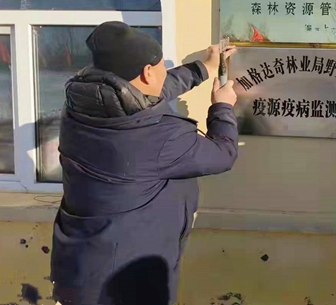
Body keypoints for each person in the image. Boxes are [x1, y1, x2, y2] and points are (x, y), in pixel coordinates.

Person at [50, 21, 239, 305]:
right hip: (125, 284)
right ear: (148, 72)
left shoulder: (79, 109)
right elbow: (223, 154)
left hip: (80, 269)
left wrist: (203, 68)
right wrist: (222, 106)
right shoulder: (160, 137)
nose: (164, 73)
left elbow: (148, 93)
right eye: (162, 67)